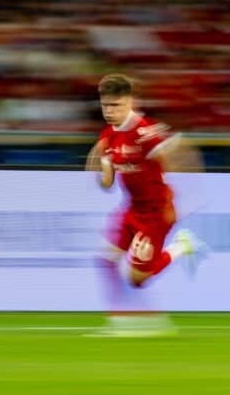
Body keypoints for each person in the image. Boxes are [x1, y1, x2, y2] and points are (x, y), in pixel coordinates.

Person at [86, 74, 204, 335]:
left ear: (129, 102)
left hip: (155, 213)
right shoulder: (109, 135)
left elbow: (180, 151)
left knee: (138, 280)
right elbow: (107, 184)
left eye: (115, 105)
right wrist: (102, 165)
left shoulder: (145, 132)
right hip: (131, 208)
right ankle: (118, 321)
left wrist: (187, 193)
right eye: (105, 105)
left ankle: (181, 247)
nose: (109, 111)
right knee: (105, 259)